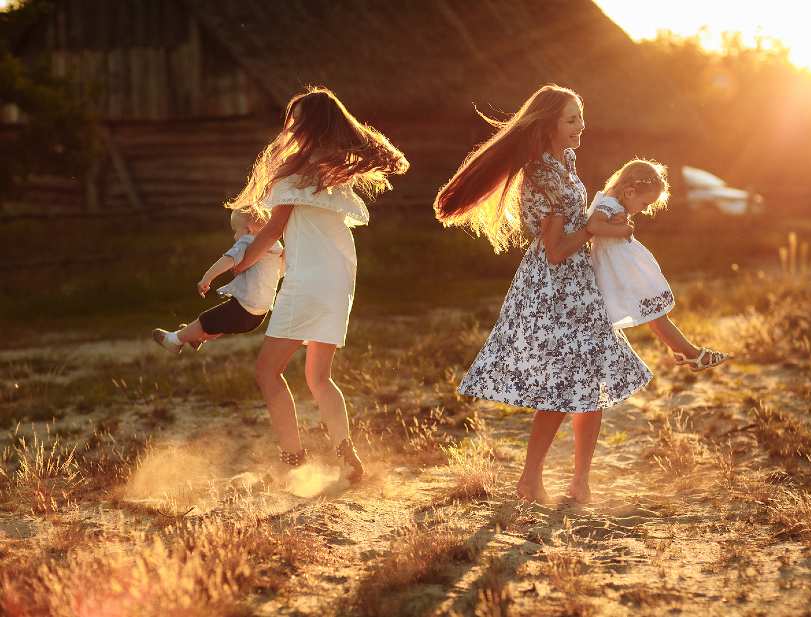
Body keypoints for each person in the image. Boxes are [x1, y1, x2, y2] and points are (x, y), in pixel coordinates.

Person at [434, 85, 650, 504]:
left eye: (581, 117)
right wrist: (592, 228)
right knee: (561, 385)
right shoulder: (541, 175)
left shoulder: (565, 161)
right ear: (548, 122)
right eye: (571, 119)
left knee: (592, 379)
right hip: (554, 289)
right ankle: (530, 479)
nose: (581, 127)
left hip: (582, 286)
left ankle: (580, 481)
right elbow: (554, 251)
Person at [229, 86, 408, 483]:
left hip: (307, 283)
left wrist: (240, 264)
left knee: (267, 372)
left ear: (305, 125)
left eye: (294, 121)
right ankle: (347, 455)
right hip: (339, 284)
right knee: (319, 377)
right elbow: (394, 161)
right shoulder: (335, 176)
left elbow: (274, 229)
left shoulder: (297, 173)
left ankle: (294, 460)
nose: (288, 128)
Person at [587, 158, 729, 371]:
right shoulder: (610, 203)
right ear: (630, 192)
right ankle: (690, 354)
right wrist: (623, 231)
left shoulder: (613, 202)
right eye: (645, 204)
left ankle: (685, 352)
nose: (644, 210)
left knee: (656, 313)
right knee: (656, 313)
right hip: (619, 269)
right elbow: (593, 226)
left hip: (623, 266)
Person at [151, 209, 282, 354]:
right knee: (220, 323)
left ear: (248, 229)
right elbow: (279, 272)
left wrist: (207, 277)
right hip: (260, 315)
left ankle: (174, 340)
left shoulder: (248, 239)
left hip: (245, 307)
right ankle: (196, 337)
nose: (234, 236)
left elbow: (229, 259)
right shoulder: (276, 247)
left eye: (236, 231)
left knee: (206, 320)